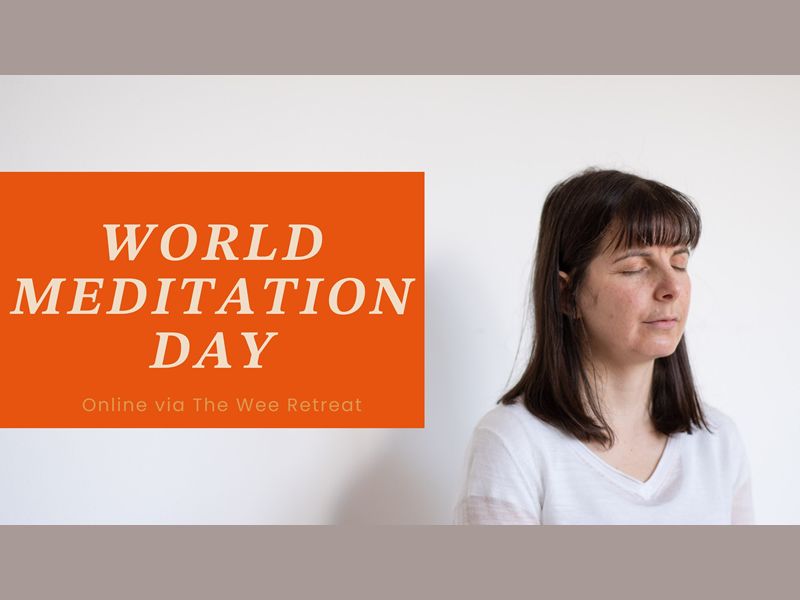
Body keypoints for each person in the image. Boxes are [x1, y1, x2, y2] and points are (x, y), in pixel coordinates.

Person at [453, 168, 755, 525]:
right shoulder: (512, 444)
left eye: (679, 263)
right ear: (566, 294)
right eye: (635, 268)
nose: (672, 287)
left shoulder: (719, 443)